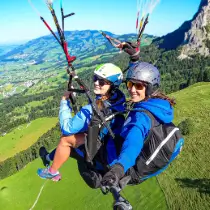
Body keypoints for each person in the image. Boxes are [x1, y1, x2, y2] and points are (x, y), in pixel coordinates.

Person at [100, 61, 184, 188]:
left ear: (150, 87)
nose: (132, 90)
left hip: (127, 169)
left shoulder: (140, 118)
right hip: (142, 163)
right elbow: (140, 74)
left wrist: (118, 167)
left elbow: (133, 143)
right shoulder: (159, 103)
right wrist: (134, 59)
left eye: (138, 86)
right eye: (129, 84)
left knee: (99, 139)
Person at [37, 63, 126, 182]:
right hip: (107, 138)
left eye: (101, 82)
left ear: (111, 86)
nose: (96, 83)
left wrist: (64, 102)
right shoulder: (118, 99)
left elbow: (67, 128)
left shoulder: (91, 110)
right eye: (95, 78)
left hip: (99, 148)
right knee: (73, 138)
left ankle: (52, 172)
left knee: (65, 139)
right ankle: (48, 157)